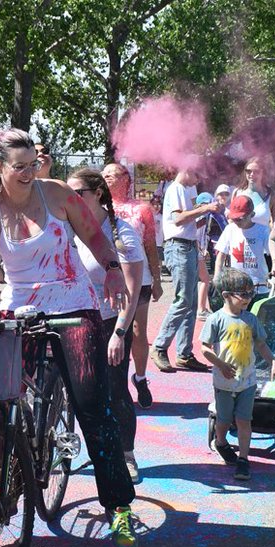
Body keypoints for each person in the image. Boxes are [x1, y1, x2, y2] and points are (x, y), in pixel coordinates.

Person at [0, 129, 139, 547]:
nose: (29, 172)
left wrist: (112, 268)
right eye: (19, 166)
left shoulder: (57, 194)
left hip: (73, 305)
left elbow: (94, 235)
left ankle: (118, 507)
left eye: (33, 163)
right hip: (20, 312)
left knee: (92, 406)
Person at [68, 168, 146, 479]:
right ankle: (65, 449)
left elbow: (131, 288)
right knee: (74, 389)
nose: (70, 200)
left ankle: (126, 454)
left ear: (97, 193)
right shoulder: (67, 227)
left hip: (111, 322)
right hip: (76, 320)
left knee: (114, 389)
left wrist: (119, 333)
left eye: (78, 194)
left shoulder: (121, 233)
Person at [201, 267, 275, 480]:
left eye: (250, 293)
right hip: (224, 381)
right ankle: (220, 441)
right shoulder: (216, 320)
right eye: (243, 294)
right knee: (225, 420)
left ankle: (244, 459)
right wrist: (220, 364)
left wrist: (273, 362)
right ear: (226, 295)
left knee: (244, 420)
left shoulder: (251, 319)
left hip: (247, 381)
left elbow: (261, 344)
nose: (248, 298)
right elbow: (205, 349)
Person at [102, 163, 162, 409]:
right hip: (108, 279)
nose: (106, 178)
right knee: (112, 331)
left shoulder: (141, 209)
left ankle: (140, 378)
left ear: (125, 178)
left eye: (112, 175)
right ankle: (114, 384)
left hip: (140, 279)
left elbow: (150, 246)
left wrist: (157, 280)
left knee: (137, 331)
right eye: (103, 175)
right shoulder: (98, 207)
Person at [152, 163, 220, 373]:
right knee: (183, 300)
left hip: (187, 246)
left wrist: (206, 217)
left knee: (189, 303)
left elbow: (188, 222)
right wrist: (206, 209)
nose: (198, 182)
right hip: (178, 247)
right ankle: (159, 346)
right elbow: (178, 218)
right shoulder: (175, 189)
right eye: (197, 177)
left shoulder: (187, 189)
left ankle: (184, 353)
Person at [214, 194, 271, 301]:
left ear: (252, 214)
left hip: (259, 286)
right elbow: (221, 255)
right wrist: (217, 277)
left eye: (240, 218)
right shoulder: (230, 229)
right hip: (236, 287)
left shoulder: (263, 230)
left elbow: (272, 254)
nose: (237, 222)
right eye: (234, 219)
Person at [196, 185, 231, 319]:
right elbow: (197, 235)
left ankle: (200, 308)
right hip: (198, 251)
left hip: (199, 251)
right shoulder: (203, 216)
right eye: (205, 203)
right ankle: (200, 309)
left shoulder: (207, 215)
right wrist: (201, 249)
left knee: (203, 279)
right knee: (205, 279)